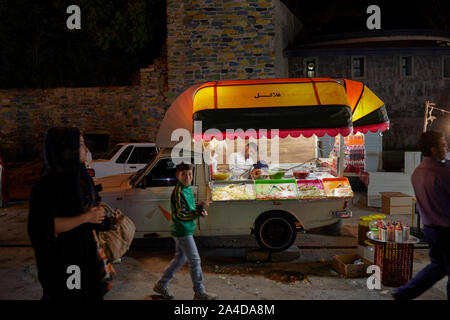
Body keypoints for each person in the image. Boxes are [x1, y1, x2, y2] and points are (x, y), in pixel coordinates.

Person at [28, 127, 108, 300]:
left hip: (85, 251)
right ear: (66, 148)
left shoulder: (80, 174)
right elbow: (44, 227)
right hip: (66, 259)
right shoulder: (48, 183)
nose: (86, 149)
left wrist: (97, 210)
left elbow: (88, 202)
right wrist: (86, 217)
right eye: (80, 144)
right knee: (72, 295)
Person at [393, 131, 450, 300]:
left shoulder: (417, 173)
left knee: (438, 266)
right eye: (443, 145)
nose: (446, 148)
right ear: (433, 150)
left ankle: (404, 293)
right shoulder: (443, 173)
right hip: (446, 229)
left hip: (430, 228)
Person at [153, 162, 217, 300]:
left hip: (185, 228)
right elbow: (180, 215)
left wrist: (200, 211)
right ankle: (199, 292)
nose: (187, 177)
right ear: (177, 175)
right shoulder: (178, 192)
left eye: (189, 174)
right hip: (182, 230)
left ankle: (161, 285)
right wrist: (197, 211)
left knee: (180, 259)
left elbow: (189, 209)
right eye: (184, 175)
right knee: (195, 260)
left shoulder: (187, 188)